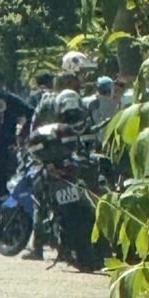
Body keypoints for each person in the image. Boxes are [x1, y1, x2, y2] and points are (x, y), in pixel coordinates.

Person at [23, 89, 87, 260]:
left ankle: (37, 247)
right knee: (42, 199)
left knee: (39, 201)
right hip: (67, 171)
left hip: (68, 173)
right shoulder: (74, 123)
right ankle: (40, 246)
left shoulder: (58, 125)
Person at [0, 69, 34, 245]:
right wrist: (23, 134)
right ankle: (4, 233)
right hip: (6, 148)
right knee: (4, 191)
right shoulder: (11, 99)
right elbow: (31, 114)